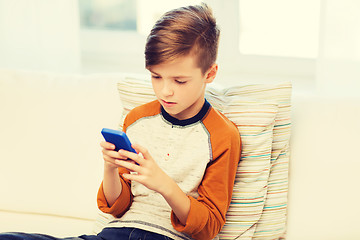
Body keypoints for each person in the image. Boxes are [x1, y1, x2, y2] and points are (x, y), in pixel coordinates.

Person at [0, 3, 241, 240]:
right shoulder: (137, 119)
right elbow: (117, 206)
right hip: (114, 233)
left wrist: (164, 184)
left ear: (209, 74)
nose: (165, 91)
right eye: (156, 77)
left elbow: (209, 226)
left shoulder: (221, 135)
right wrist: (110, 167)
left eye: (179, 81)